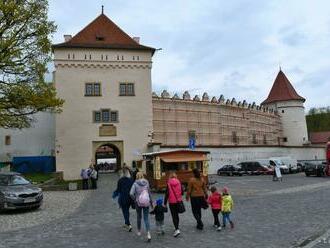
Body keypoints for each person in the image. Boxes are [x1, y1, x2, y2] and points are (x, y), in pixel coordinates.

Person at [130, 172, 153, 242]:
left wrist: (135, 199)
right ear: (143, 176)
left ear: (136, 176)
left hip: (138, 203)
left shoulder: (135, 183)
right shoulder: (146, 182)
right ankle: (148, 233)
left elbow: (131, 193)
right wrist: (151, 202)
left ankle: (139, 231)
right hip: (146, 202)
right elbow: (149, 193)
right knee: (146, 218)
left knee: (139, 217)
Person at [113, 166, 134, 232]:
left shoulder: (120, 180)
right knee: (127, 210)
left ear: (123, 173)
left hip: (123, 198)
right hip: (130, 198)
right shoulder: (131, 180)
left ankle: (129, 224)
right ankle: (126, 223)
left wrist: (114, 195)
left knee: (125, 211)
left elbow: (118, 190)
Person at [164, 172, 184, 237]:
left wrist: (164, 203)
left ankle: (177, 229)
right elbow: (182, 192)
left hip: (172, 202)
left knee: (174, 215)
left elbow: (167, 194)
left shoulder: (169, 183)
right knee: (177, 215)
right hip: (178, 201)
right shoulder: (179, 182)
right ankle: (176, 227)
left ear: (170, 177)